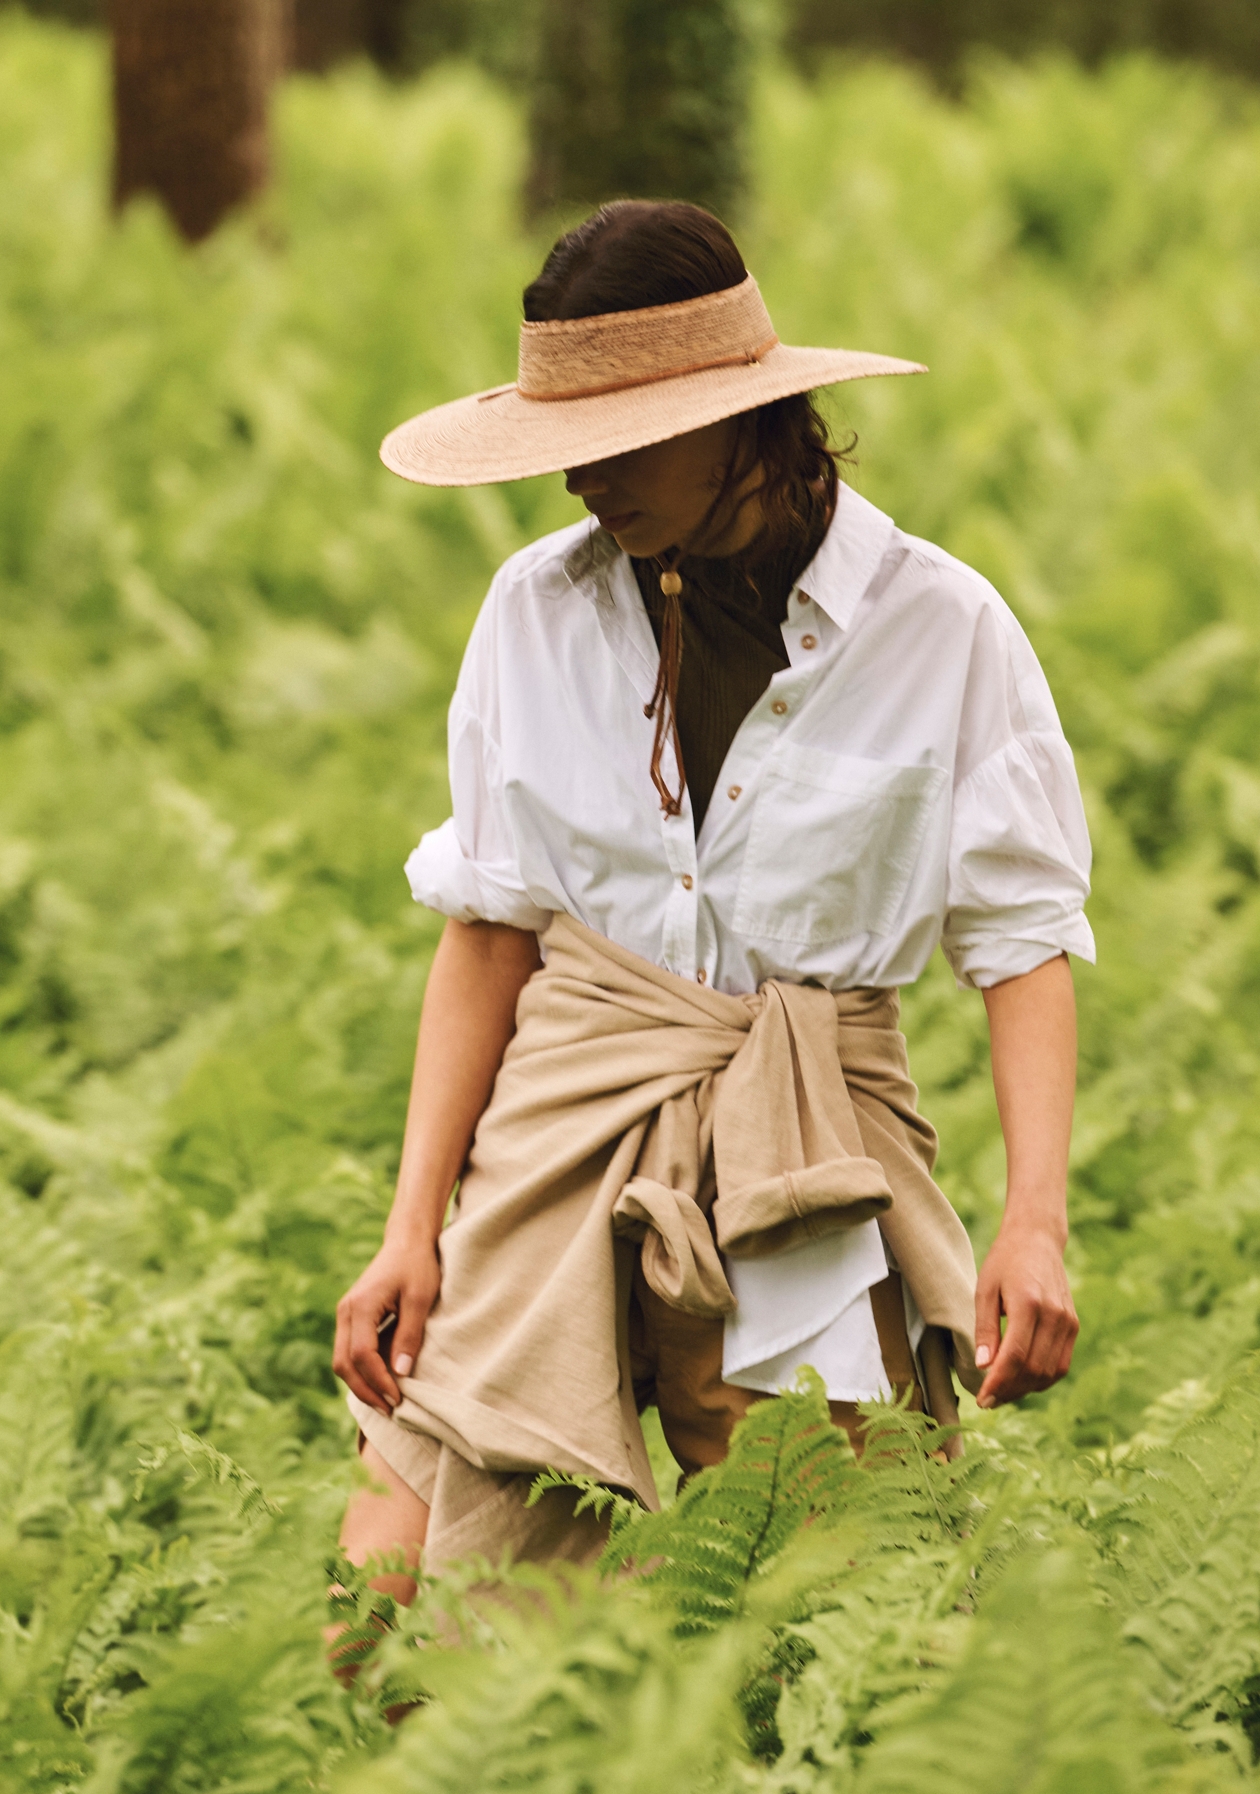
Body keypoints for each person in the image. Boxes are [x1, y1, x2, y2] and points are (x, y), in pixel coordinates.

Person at [331, 201, 1091, 1606]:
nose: (580, 489)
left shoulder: (944, 628)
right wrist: (409, 1223)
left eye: (616, 448)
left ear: (748, 419)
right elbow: (490, 926)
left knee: (833, 1607)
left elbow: (1022, 939)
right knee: (404, 1601)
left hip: (813, 1128)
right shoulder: (534, 611)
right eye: (565, 452)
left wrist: (1033, 1220)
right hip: (569, 1108)